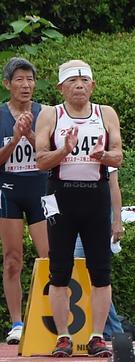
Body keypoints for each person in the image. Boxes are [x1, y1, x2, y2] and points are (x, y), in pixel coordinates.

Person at [35, 59, 123, 357]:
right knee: (59, 270)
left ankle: (97, 335)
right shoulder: (51, 115)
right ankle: (63, 336)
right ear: (61, 87)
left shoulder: (105, 113)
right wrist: (65, 150)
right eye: (73, 81)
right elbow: (41, 160)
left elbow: (118, 156)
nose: (80, 85)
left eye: (85, 80)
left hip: (95, 197)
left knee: (101, 270)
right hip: (60, 198)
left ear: (93, 85)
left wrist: (102, 154)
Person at [0, 57, 49, 344]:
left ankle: (47, 319)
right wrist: (14, 138)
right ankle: (17, 322)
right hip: (9, 190)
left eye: (30, 79)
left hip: (40, 190)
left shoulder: (45, 113)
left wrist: (29, 134)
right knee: (12, 260)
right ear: (8, 84)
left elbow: (50, 154)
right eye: (19, 79)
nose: (26, 85)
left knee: (50, 257)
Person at [73, 167, 124, 341]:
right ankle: (111, 330)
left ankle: (113, 330)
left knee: (93, 272)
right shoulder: (61, 142)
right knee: (78, 272)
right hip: (69, 212)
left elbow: (113, 185)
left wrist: (117, 220)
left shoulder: (103, 141)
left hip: (97, 213)